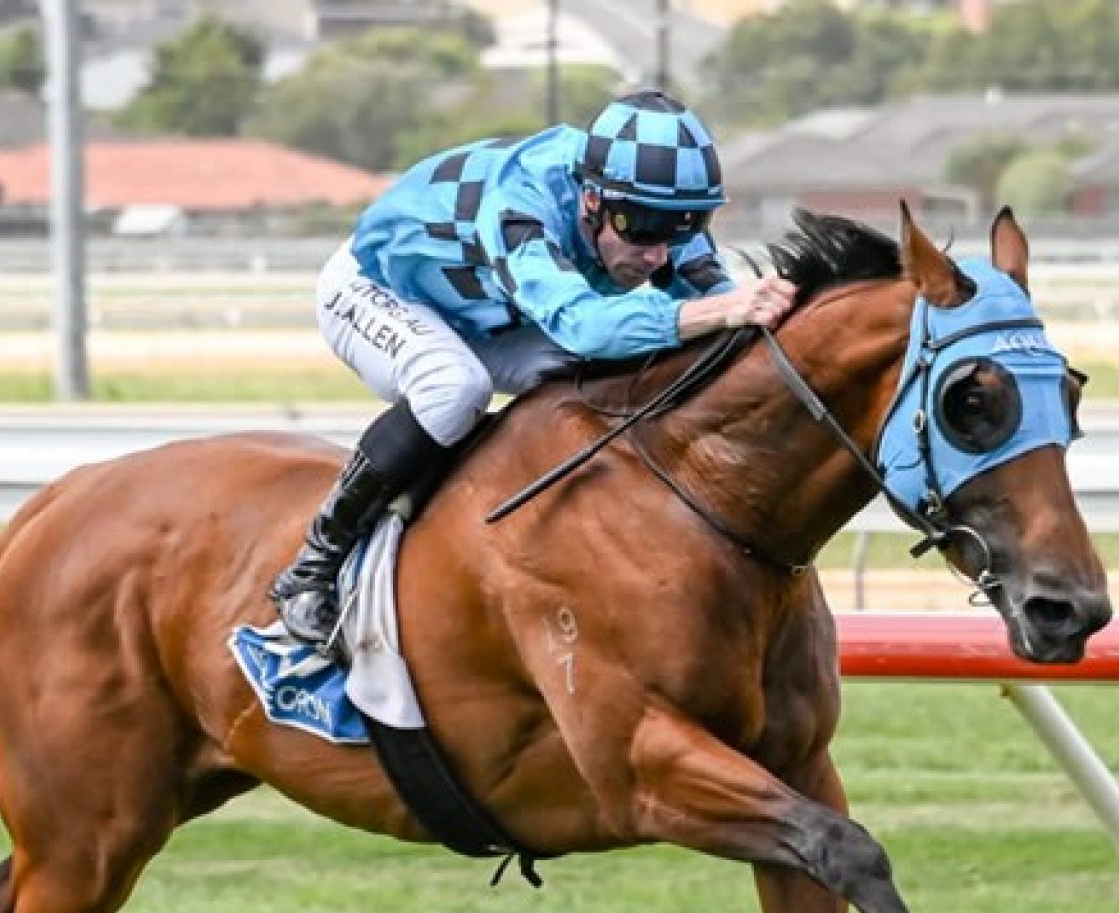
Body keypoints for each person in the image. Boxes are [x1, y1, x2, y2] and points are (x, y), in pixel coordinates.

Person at [269, 88, 799, 653]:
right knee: (455, 388)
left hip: (492, 310)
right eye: (640, 227)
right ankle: (313, 565)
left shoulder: (648, 201)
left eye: (678, 229)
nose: (657, 255)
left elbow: (715, 298)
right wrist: (721, 309)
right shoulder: (522, 202)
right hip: (379, 286)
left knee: (604, 377)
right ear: (591, 199)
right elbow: (586, 325)